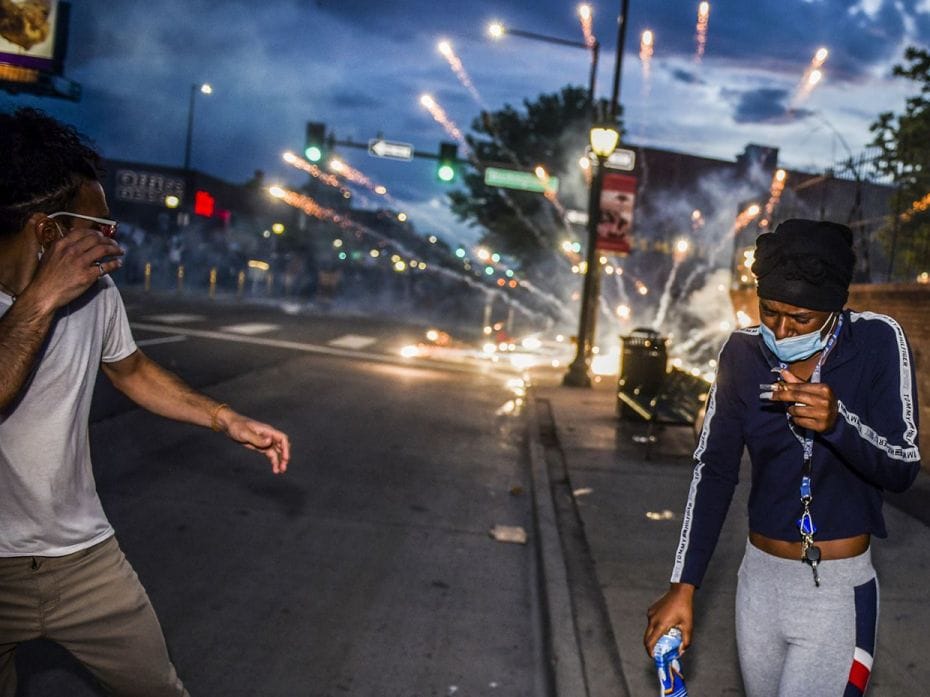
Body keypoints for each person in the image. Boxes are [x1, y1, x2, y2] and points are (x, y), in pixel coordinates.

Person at [0, 108, 291, 696]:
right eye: (98, 226)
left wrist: (222, 416)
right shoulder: (52, 296)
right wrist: (38, 302)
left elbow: (129, 368)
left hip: (83, 559)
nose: (112, 239)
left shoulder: (96, 294)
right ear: (48, 229)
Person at [643, 218, 921, 697]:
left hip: (835, 593)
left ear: (834, 308)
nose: (782, 328)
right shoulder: (742, 353)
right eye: (769, 311)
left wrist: (839, 424)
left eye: (801, 318)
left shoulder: (877, 341)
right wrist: (683, 585)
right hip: (759, 584)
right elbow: (713, 471)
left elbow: (902, 465)